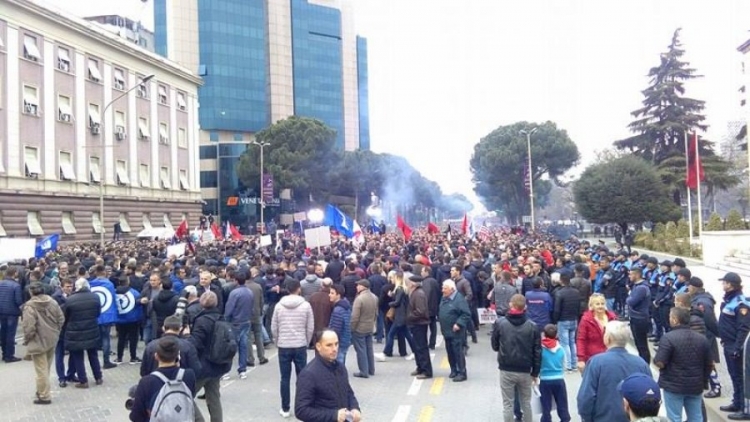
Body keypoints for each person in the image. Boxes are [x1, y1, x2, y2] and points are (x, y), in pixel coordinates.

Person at [577, 321, 652, 422]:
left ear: (608, 338)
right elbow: (650, 396)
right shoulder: (641, 364)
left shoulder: (596, 362)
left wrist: (586, 418)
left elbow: (586, 397)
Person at [653, 306, 712, 422]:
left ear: (675, 320)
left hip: (673, 385)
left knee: (674, 417)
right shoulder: (701, 339)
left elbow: (660, 362)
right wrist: (703, 380)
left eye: (670, 317)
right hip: (695, 385)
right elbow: (709, 363)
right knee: (696, 416)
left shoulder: (668, 338)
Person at [491, 294, 541, 422]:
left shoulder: (500, 323)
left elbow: (495, 345)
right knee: (526, 403)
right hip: (525, 369)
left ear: (510, 304)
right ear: (525, 307)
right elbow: (537, 352)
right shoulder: (532, 326)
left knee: (508, 403)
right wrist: (535, 372)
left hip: (506, 368)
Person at [295, 329, 362, 422]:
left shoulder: (340, 367)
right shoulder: (309, 374)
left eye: (336, 344)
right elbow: (301, 410)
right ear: (318, 346)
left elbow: (348, 392)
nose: (334, 349)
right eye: (329, 345)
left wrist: (355, 408)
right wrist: (334, 415)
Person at [272, 278, 314, 418]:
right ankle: (302, 406)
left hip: (284, 346)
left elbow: (274, 327)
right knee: (302, 377)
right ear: (299, 289)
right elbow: (310, 327)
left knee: (284, 378)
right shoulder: (306, 305)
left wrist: (278, 341)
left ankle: (285, 408)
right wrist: (306, 342)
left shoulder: (279, 305)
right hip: (300, 344)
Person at [129, 336, 197, 422]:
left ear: (156, 356)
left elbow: (136, 416)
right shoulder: (188, 375)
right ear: (178, 355)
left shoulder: (146, 382)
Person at [188, 291, 230, 422]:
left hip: (203, 365)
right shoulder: (221, 318)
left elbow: (196, 343)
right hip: (218, 364)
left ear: (201, 302)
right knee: (214, 397)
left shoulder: (201, 320)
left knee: (186, 395)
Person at [21, 282, 65, 404]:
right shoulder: (53, 302)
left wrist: (27, 339)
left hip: (37, 341)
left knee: (41, 370)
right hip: (51, 339)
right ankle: (42, 390)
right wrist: (56, 331)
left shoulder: (29, 307)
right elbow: (61, 318)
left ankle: (44, 395)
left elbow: (29, 326)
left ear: (31, 292)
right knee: (46, 368)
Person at [716, 272, 750, 419]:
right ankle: (736, 403)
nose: (723, 285)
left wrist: (737, 348)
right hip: (728, 343)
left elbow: (744, 328)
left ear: (730, 284)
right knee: (734, 376)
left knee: (741, 378)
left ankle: (745, 409)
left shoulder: (741, 303)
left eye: (724, 282)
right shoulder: (730, 300)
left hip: (736, 346)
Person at [65, 278, 103, 388]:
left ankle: (83, 380)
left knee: (78, 357)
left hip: (75, 331)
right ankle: (98, 377)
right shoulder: (95, 297)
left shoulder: (70, 300)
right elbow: (98, 313)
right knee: (93, 354)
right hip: (91, 329)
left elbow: (66, 316)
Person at [438, 279, 471, 382]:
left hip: (456, 331)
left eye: (445, 288)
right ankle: (453, 370)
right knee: (450, 351)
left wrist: (459, 323)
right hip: (446, 331)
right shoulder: (444, 298)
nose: (442, 290)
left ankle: (462, 372)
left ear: (452, 289)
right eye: (443, 288)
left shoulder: (459, 299)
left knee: (457, 352)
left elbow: (466, 314)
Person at [223, 271, 253, 380]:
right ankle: (242, 370)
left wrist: (225, 319)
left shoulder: (234, 293)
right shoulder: (249, 292)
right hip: (246, 321)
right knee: (243, 346)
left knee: (231, 347)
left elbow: (229, 308)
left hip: (235, 322)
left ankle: (226, 371)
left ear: (235, 280)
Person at [576, 293, 617, 373]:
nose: (600, 306)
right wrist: (581, 359)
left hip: (610, 357)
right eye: (597, 304)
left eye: (602, 303)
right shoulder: (586, 320)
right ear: (592, 306)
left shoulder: (612, 318)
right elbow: (581, 339)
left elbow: (618, 337)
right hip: (592, 358)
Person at [539, 324, 570, 422]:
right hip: (559, 379)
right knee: (562, 403)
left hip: (544, 380)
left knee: (546, 405)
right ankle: (565, 418)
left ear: (544, 334)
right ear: (556, 334)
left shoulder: (540, 349)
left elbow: (537, 363)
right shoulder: (560, 348)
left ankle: (546, 419)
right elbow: (564, 364)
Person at [350, 279, 378, 378]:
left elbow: (355, 317)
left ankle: (363, 371)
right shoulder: (374, 297)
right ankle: (371, 369)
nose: (356, 287)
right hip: (370, 326)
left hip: (360, 328)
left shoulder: (359, 299)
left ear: (363, 287)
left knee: (361, 350)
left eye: (358, 285)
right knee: (369, 349)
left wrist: (352, 328)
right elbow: (376, 313)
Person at [406, 275, 432, 379]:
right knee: (417, 348)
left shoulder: (419, 294)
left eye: (408, 282)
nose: (407, 284)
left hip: (419, 324)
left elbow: (421, 311)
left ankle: (426, 371)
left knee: (421, 348)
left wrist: (409, 317)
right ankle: (420, 367)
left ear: (413, 284)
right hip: (416, 323)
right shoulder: (415, 293)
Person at [626, 267, 651, 364]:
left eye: (631, 274)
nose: (629, 276)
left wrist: (629, 296)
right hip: (634, 317)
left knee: (642, 344)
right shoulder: (636, 286)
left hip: (640, 319)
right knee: (637, 343)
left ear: (637, 275)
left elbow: (631, 301)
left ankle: (645, 364)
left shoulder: (641, 288)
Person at [0, 266, 24, 362]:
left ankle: (4, 353)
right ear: (15, 273)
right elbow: (18, 301)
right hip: (12, 313)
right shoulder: (16, 285)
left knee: (3, 332)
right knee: (10, 334)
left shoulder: (1, 283)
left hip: (2, 311)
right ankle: (9, 355)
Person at [328, 284, 352, 364]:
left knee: (338, 363)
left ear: (338, 295)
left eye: (332, 293)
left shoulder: (338, 310)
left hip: (340, 340)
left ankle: (339, 376)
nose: (329, 295)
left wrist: (332, 341)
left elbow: (336, 329)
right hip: (345, 338)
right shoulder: (346, 305)